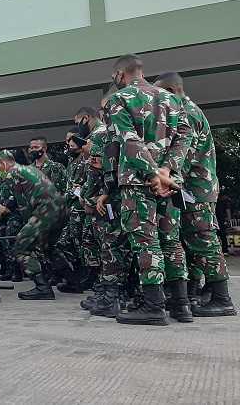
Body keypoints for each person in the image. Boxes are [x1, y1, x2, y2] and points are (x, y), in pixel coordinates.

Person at [103, 54, 193, 326]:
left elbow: (128, 140)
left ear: (119, 75)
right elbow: (184, 136)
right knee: (171, 240)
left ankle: (154, 306)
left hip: (137, 180)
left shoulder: (120, 99)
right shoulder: (172, 99)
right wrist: (168, 172)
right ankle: (181, 305)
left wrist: (154, 173)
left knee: (146, 242)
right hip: (170, 184)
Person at [155, 72, 235, 317]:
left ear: (170, 90)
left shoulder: (186, 113)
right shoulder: (190, 109)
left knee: (204, 241)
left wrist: (167, 180)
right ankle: (199, 291)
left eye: (160, 94)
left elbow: (184, 157)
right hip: (197, 188)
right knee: (195, 241)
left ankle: (222, 298)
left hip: (195, 189)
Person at [0, 150, 66, 300]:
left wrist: (27, 229)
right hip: (60, 209)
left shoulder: (13, 173)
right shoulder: (28, 169)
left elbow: (24, 206)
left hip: (44, 210)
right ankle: (72, 280)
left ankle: (42, 287)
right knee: (48, 248)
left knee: (21, 246)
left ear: (3, 164)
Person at [79, 106, 131, 317]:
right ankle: (111, 292)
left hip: (112, 202)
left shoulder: (103, 135)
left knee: (112, 247)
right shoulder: (108, 133)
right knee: (110, 248)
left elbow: (103, 169)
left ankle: (114, 296)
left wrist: (101, 194)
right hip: (108, 199)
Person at [54, 127, 94, 293]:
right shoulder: (71, 163)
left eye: (72, 142)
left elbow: (83, 186)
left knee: (84, 246)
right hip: (72, 211)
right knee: (66, 245)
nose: (69, 144)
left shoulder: (87, 161)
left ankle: (87, 280)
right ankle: (75, 279)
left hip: (82, 211)